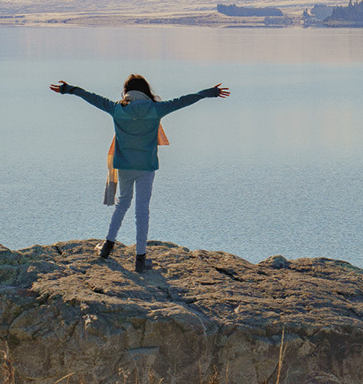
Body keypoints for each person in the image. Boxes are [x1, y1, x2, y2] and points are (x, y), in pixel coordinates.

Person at [49, 73, 230, 272]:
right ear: (145, 91)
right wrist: (209, 93)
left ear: (127, 92)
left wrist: (68, 89)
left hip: (125, 165)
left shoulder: (117, 109)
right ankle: (140, 259)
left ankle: (107, 247)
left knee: (123, 202)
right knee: (142, 211)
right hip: (146, 165)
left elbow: (90, 96)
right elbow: (184, 100)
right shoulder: (155, 109)